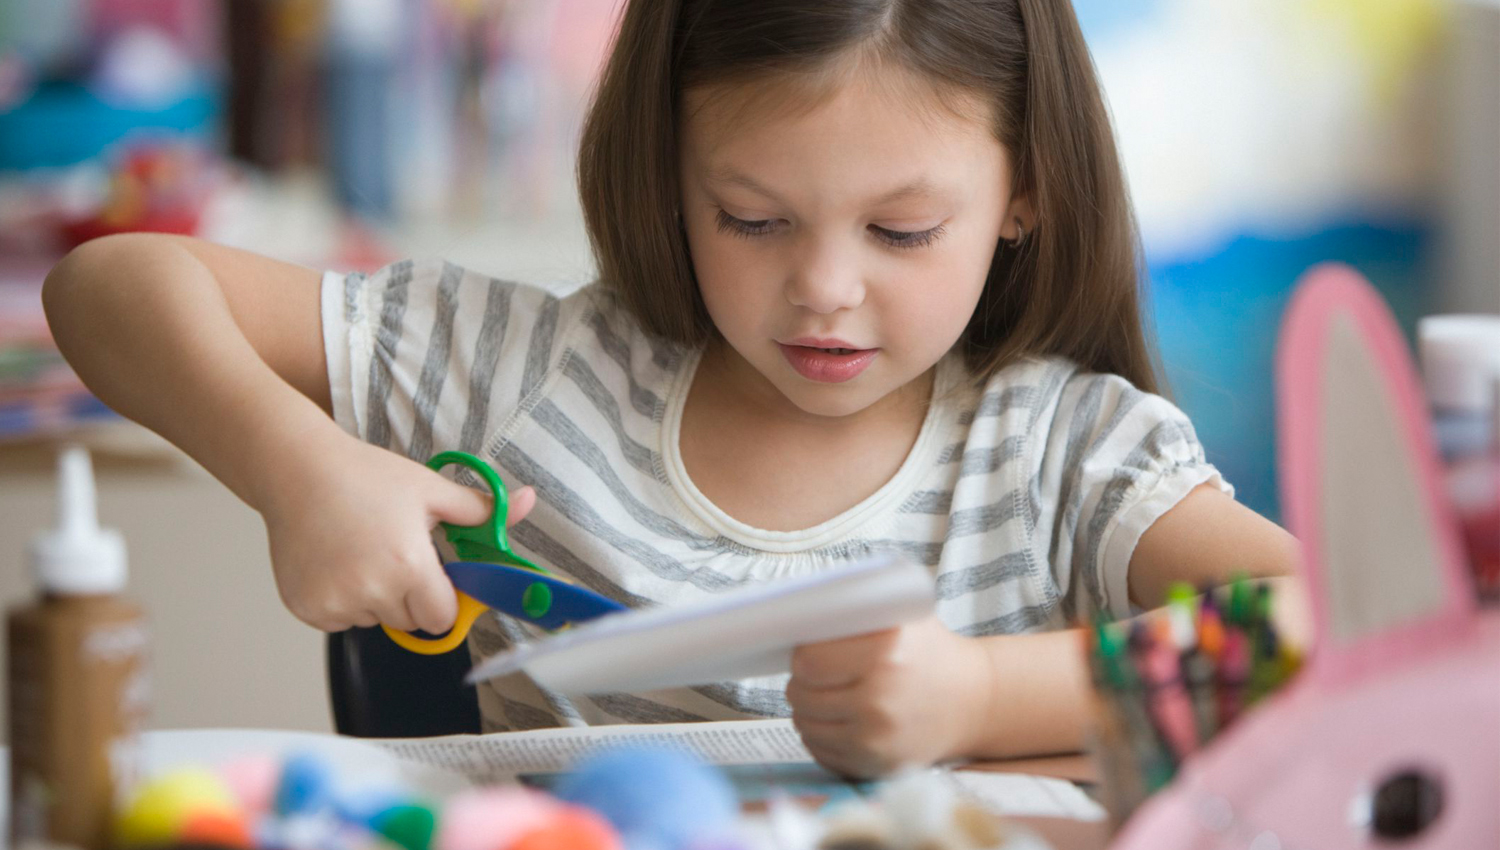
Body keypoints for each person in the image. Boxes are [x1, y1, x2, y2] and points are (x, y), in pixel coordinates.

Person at [44, 0, 1303, 778]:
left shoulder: (1057, 454)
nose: (823, 290)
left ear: (1025, 189)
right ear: (672, 168)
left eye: (903, 231)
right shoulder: (531, 373)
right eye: (751, 218)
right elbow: (110, 286)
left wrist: (976, 698)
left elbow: (1325, 622)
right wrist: (294, 466)